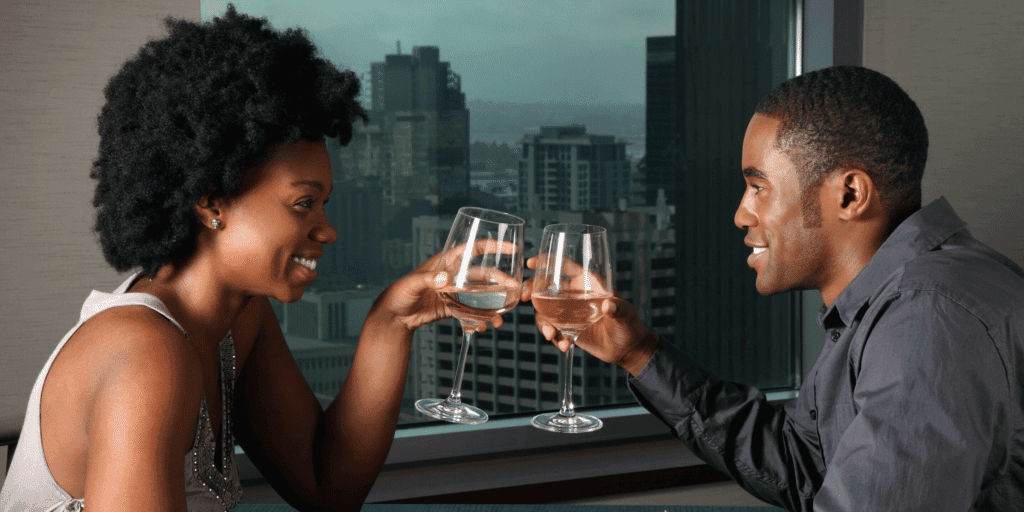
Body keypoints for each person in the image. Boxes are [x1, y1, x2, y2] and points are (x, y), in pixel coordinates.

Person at [0, 6, 495, 512]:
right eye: (304, 203)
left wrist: (392, 320)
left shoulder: (238, 319)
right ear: (213, 203)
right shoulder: (144, 352)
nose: (328, 230)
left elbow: (328, 486)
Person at [526, 65, 1024, 511]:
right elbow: (807, 469)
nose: (742, 214)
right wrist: (638, 352)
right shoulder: (893, 301)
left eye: (759, 186)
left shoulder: (929, 320)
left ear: (849, 195)